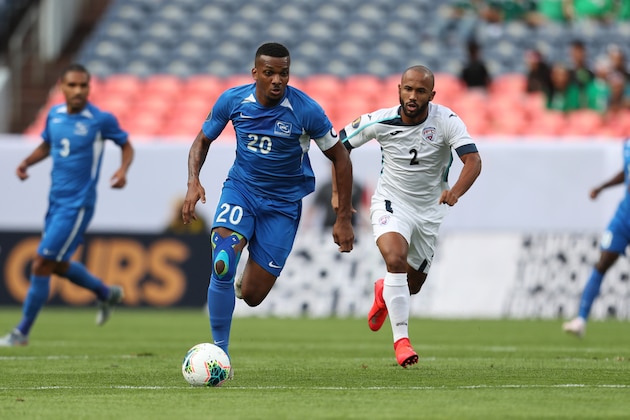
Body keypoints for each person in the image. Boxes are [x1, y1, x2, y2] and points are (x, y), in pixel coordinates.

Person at [181, 42, 355, 366]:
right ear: (255, 73)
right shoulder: (233, 100)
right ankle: (221, 353)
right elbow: (202, 140)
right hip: (241, 190)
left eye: (284, 73)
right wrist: (193, 181)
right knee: (221, 260)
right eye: (270, 72)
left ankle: (240, 282)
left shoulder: (306, 111)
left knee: (252, 295)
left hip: (283, 205)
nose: (277, 80)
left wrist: (342, 216)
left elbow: (340, 158)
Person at [335, 65, 482, 367]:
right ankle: (402, 341)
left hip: (429, 212)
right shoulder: (381, 120)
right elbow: (338, 147)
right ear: (399, 89)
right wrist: (339, 194)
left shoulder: (446, 121)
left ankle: (383, 290)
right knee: (395, 259)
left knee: (410, 284)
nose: (413, 96)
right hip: (391, 202)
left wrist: (455, 191)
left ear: (432, 94)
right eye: (408, 89)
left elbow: (473, 160)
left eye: (420, 91)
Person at [0, 63, 134, 347]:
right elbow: (48, 145)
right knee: (58, 265)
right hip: (55, 202)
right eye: (72, 85)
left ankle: (22, 332)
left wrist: (123, 170)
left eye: (83, 85)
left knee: (40, 263)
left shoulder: (99, 120)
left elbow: (126, 144)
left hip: (78, 205)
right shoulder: (54, 115)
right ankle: (105, 292)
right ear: (61, 86)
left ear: (89, 87)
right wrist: (26, 162)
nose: (78, 91)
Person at [563, 140, 630, 338]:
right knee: (603, 262)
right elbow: (625, 172)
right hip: (624, 216)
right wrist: (602, 187)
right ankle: (580, 319)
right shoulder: (626, 144)